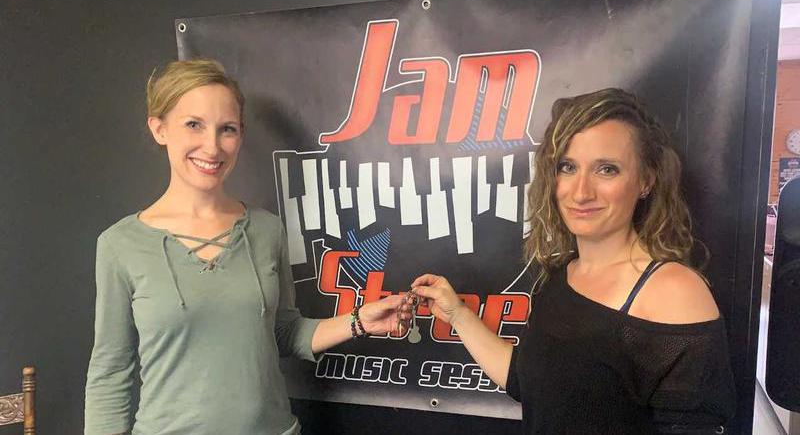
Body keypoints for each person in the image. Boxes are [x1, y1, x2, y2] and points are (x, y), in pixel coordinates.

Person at [84, 59, 406, 435]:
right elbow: (110, 372)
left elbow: (284, 332)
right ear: (160, 129)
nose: (212, 146)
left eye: (227, 129)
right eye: (193, 125)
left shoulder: (267, 230)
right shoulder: (120, 244)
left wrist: (359, 321)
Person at [408, 88, 737, 434]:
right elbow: (528, 382)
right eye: (568, 167)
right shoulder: (560, 275)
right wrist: (458, 316)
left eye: (607, 170)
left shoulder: (674, 292)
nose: (581, 192)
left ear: (646, 181)